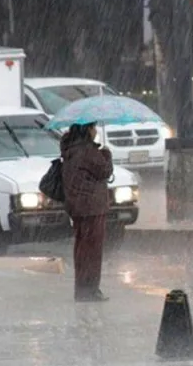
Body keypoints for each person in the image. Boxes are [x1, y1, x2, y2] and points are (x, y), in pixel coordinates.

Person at [60, 122, 114, 302]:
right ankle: (90, 289)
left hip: (77, 206)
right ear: (87, 130)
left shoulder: (70, 149)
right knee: (93, 249)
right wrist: (107, 154)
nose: (96, 130)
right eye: (93, 127)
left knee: (82, 248)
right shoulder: (87, 151)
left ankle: (82, 287)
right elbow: (105, 171)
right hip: (92, 207)